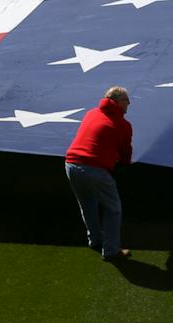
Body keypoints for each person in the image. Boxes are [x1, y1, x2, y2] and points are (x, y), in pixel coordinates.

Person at [65, 86, 133, 261]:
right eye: (126, 101)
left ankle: (95, 240)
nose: (129, 104)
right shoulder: (122, 125)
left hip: (71, 164)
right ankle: (111, 250)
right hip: (94, 169)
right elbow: (125, 154)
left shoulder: (90, 113)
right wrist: (123, 161)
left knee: (87, 203)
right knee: (113, 209)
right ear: (117, 103)